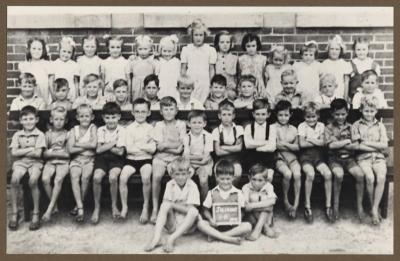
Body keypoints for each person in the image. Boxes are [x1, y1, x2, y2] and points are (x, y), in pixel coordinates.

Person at [144, 157, 200, 253]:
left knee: (194, 212)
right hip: (172, 224)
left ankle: (171, 239)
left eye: (183, 174)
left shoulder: (192, 185)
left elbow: (190, 208)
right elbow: (166, 204)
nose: (180, 177)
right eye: (177, 174)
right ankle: (156, 238)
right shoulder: (170, 184)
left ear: (188, 174)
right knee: (164, 205)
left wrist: (173, 205)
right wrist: (172, 205)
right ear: (172, 175)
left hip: (187, 226)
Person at [325, 99, 365, 222]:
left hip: (349, 159)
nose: (340, 117)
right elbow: (331, 146)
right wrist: (347, 141)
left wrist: (340, 144)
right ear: (332, 114)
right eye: (337, 114)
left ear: (347, 113)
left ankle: (359, 205)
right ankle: (335, 205)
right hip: (334, 159)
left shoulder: (351, 127)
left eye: (343, 114)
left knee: (360, 175)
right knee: (338, 174)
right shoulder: (329, 128)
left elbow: (356, 145)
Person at [352, 97, 388, 225]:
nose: (369, 114)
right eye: (366, 111)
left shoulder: (380, 126)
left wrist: (366, 142)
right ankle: (373, 207)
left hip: (378, 158)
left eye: (372, 111)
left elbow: (384, 145)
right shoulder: (356, 125)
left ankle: (374, 208)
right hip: (363, 158)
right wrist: (374, 145)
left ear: (376, 111)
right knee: (370, 177)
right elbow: (357, 146)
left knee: (381, 177)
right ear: (361, 110)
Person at [8, 106, 46, 231]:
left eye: (31, 119)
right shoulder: (17, 135)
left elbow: (38, 154)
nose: (28, 122)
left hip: (36, 163)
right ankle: (15, 212)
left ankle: (35, 212)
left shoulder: (40, 134)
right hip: (21, 163)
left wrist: (22, 151)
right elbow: (14, 153)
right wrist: (30, 149)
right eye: (25, 119)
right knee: (14, 180)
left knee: (33, 181)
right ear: (21, 120)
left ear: (36, 119)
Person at [197, 159, 252, 244]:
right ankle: (228, 238)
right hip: (215, 225)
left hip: (233, 226)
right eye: (222, 179)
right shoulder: (212, 193)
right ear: (217, 178)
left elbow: (243, 210)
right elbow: (205, 210)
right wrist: (210, 219)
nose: (225, 182)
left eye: (228, 179)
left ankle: (219, 236)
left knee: (248, 226)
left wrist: (239, 218)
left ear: (233, 178)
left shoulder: (238, 193)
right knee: (200, 223)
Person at [119, 98, 156, 222]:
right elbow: (129, 149)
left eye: (143, 112)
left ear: (148, 113)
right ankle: (124, 207)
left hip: (146, 160)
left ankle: (145, 206)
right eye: (137, 111)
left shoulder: (151, 128)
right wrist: (145, 146)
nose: (140, 114)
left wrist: (139, 146)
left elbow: (153, 149)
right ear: (133, 112)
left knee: (146, 177)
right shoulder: (129, 129)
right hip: (131, 160)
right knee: (123, 177)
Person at [151, 96, 186, 223]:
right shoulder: (159, 125)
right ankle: (155, 208)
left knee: (176, 177)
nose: (168, 112)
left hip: (175, 158)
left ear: (176, 110)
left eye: (171, 109)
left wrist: (167, 145)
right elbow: (159, 147)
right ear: (161, 111)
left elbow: (181, 146)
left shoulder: (181, 125)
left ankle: (175, 208)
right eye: (165, 109)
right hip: (160, 158)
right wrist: (173, 147)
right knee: (157, 176)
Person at [298, 101, 333, 223]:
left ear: (318, 116)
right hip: (306, 157)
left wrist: (310, 139)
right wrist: (316, 141)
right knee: (310, 174)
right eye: (308, 117)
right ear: (304, 117)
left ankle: (328, 206)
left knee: (328, 174)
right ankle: (307, 206)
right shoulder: (302, 126)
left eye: (313, 117)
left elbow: (323, 143)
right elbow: (301, 144)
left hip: (319, 157)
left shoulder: (322, 126)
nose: (311, 119)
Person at [91, 102, 125, 224]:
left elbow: (120, 152)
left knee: (113, 177)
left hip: (117, 159)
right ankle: (97, 207)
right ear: (103, 118)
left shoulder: (122, 130)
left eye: (113, 117)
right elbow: (98, 150)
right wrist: (113, 143)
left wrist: (105, 145)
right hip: (102, 158)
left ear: (119, 117)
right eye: (107, 118)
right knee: (96, 178)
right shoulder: (101, 130)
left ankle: (114, 205)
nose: (110, 121)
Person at [68, 103, 97, 223]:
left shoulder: (93, 128)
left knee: (85, 177)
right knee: (74, 176)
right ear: (77, 117)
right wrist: (87, 146)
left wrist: (77, 144)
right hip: (76, 159)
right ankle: (80, 207)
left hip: (90, 160)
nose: (85, 118)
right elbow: (70, 149)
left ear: (92, 117)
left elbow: (94, 145)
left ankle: (78, 205)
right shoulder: (73, 130)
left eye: (87, 116)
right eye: (82, 116)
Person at [273, 100, 301, 219]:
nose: (283, 118)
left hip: (293, 158)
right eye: (280, 115)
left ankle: (296, 203)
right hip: (279, 157)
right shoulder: (272, 128)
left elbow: (297, 147)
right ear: (276, 115)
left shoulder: (294, 129)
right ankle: (285, 201)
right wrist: (289, 145)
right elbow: (275, 145)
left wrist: (283, 143)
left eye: (286, 115)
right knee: (287, 174)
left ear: (290, 115)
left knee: (297, 174)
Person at [41, 106, 70, 223]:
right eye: (56, 119)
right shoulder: (47, 134)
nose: (58, 122)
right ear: (51, 120)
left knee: (58, 179)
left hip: (63, 163)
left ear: (66, 120)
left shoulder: (68, 134)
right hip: (50, 162)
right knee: (45, 179)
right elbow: (44, 154)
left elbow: (68, 155)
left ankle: (49, 209)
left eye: (61, 119)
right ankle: (55, 205)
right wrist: (58, 153)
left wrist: (52, 152)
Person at [181, 19, 217, 103]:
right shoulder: (186, 49)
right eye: (196, 35)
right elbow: (183, 68)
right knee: (191, 102)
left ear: (204, 36)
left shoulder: (210, 50)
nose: (198, 38)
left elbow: (211, 69)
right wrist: (184, 83)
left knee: (202, 103)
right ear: (192, 36)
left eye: (201, 35)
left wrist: (211, 85)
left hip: (204, 81)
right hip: (191, 80)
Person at [183, 110, 214, 202]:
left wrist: (193, 158)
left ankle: (204, 205)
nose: (197, 125)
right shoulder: (186, 137)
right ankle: (190, 203)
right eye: (194, 122)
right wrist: (199, 159)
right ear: (188, 124)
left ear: (204, 124)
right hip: (190, 164)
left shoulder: (208, 136)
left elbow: (206, 157)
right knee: (186, 177)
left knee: (203, 180)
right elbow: (186, 156)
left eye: (199, 122)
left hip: (205, 164)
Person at [243, 98, 276, 182]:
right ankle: (253, 194)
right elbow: (248, 145)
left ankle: (266, 194)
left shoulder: (272, 128)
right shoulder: (248, 127)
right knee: (255, 177)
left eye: (263, 114)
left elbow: (272, 147)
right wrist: (265, 143)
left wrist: (255, 146)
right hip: (252, 158)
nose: (260, 117)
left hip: (268, 158)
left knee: (269, 177)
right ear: (253, 114)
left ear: (268, 114)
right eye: (257, 114)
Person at [212, 99, 244, 184]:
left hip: (235, 160)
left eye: (229, 114)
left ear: (233, 116)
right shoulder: (216, 130)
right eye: (224, 114)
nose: (226, 117)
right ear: (219, 116)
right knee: (218, 174)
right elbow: (218, 152)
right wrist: (233, 148)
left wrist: (223, 147)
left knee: (237, 172)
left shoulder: (238, 129)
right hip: (220, 160)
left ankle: (232, 192)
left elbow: (239, 148)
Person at [242, 164, 278, 240]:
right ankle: (265, 228)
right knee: (267, 206)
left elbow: (273, 201)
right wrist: (255, 206)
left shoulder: (269, 186)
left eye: (260, 180)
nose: (256, 183)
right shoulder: (246, 187)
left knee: (269, 206)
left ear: (265, 180)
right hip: (252, 217)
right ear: (249, 178)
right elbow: (246, 205)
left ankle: (257, 230)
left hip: (267, 217)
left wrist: (253, 206)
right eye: (254, 179)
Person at [19, 37, 51, 104]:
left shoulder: (47, 64)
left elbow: (51, 84)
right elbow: (23, 84)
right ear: (29, 49)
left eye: (39, 49)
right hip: (30, 98)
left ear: (43, 50)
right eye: (34, 48)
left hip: (44, 96)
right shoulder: (24, 65)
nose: (36, 51)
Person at [321, 35, 352, 100]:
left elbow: (346, 83)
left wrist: (345, 97)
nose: (334, 51)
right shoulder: (325, 64)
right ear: (328, 50)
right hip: (327, 95)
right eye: (332, 49)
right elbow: (322, 82)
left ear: (341, 50)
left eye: (337, 49)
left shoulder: (344, 64)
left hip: (340, 94)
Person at [49, 36, 79, 101]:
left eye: (69, 52)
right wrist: (53, 95)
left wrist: (76, 95)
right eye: (64, 51)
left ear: (72, 53)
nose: (66, 54)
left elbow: (76, 82)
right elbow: (51, 81)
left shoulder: (74, 65)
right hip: (58, 92)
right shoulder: (54, 64)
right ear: (59, 50)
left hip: (71, 93)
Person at [101, 35, 131, 100]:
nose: (115, 50)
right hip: (109, 91)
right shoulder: (104, 62)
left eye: (118, 47)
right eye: (112, 47)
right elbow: (103, 80)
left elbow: (128, 80)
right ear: (108, 48)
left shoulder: (125, 62)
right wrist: (102, 94)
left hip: (122, 92)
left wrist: (129, 94)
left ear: (121, 48)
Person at [238, 33, 267, 98]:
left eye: (253, 46)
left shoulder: (262, 59)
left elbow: (263, 76)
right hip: (246, 86)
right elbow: (239, 75)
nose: (251, 49)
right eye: (248, 46)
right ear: (244, 46)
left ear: (257, 45)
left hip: (258, 85)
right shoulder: (241, 59)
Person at [130, 35, 158, 101]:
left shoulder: (153, 61)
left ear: (150, 49)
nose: (143, 52)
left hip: (149, 86)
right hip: (136, 86)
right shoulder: (133, 60)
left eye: (145, 49)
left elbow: (156, 76)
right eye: (140, 49)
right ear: (136, 49)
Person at [214, 30, 238, 100]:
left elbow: (237, 77)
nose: (225, 44)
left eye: (227, 42)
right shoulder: (214, 57)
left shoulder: (235, 58)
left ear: (231, 44)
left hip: (231, 90)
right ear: (217, 43)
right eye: (222, 42)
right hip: (217, 90)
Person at [157, 34, 181, 100]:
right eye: (164, 51)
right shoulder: (159, 62)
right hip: (162, 87)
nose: (167, 54)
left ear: (173, 51)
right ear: (161, 50)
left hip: (173, 87)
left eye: (169, 51)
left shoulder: (177, 62)